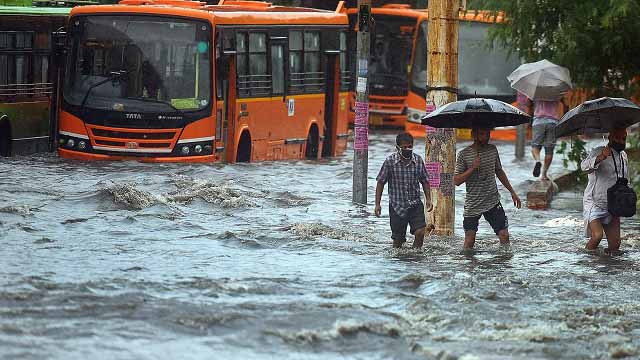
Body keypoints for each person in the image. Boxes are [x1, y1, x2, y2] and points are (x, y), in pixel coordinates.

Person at [454, 128, 522, 249]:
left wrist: (512, 191)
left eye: (487, 134)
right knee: (469, 241)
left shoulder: (492, 150)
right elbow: (457, 181)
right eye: (481, 134)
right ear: (473, 134)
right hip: (473, 203)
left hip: (492, 200)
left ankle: (504, 263)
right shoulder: (463, 154)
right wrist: (472, 168)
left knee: (504, 236)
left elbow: (499, 171)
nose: (485, 137)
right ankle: (468, 266)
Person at [375, 132, 433, 248]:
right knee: (398, 240)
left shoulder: (418, 160)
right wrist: (377, 204)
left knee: (420, 232)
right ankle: (399, 261)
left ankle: (416, 255)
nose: (408, 149)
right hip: (397, 206)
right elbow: (380, 182)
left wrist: (429, 199)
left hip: (415, 204)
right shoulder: (390, 162)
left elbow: (425, 181)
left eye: (410, 146)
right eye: (404, 147)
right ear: (397, 148)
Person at [580, 128, 628, 252]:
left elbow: (625, 177)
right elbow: (584, 167)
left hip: (613, 204)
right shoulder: (598, 151)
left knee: (615, 245)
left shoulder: (623, 155)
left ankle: (607, 266)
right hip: (595, 203)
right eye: (617, 138)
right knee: (597, 236)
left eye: (624, 138)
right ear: (610, 138)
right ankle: (587, 262)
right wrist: (601, 157)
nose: (621, 141)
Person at [530, 99, 566, 180]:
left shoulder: (537, 92)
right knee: (549, 150)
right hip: (553, 122)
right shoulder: (557, 93)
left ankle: (538, 161)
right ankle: (544, 174)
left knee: (535, 146)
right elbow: (560, 111)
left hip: (538, 122)